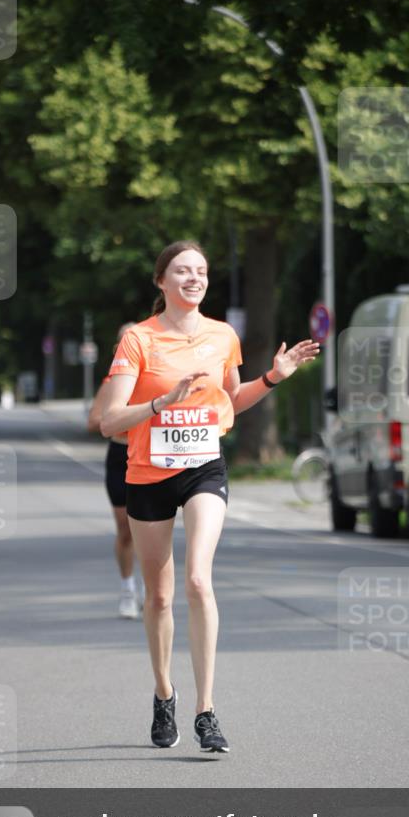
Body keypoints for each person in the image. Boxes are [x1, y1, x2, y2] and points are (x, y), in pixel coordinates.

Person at [101, 241, 320, 752]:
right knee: (159, 595)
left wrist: (271, 379)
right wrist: (161, 402)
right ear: (162, 281)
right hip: (148, 473)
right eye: (182, 270)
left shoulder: (223, 336)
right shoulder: (138, 340)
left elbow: (232, 402)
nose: (193, 278)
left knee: (199, 578)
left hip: (203, 467)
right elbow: (111, 421)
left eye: (200, 270)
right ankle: (163, 693)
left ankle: (206, 711)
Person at [88, 323, 142, 619]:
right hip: (121, 455)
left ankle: (150, 585)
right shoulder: (112, 382)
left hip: (150, 456)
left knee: (151, 528)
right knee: (126, 529)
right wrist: (120, 418)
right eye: (125, 340)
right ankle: (127, 589)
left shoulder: (156, 379)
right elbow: (94, 420)